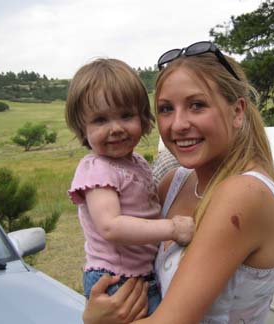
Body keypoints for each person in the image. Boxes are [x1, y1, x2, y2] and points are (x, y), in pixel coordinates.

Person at [82, 41, 274, 324]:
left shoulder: (244, 193)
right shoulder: (172, 183)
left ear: (237, 111)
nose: (178, 124)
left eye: (197, 105)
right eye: (166, 109)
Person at [65, 58, 195, 315]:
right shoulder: (97, 169)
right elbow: (111, 226)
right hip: (114, 279)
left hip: (139, 274)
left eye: (126, 116)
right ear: (83, 127)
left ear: (143, 118)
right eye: (101, 120)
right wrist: (172, 228)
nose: (116, 128)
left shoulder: (135, 163)